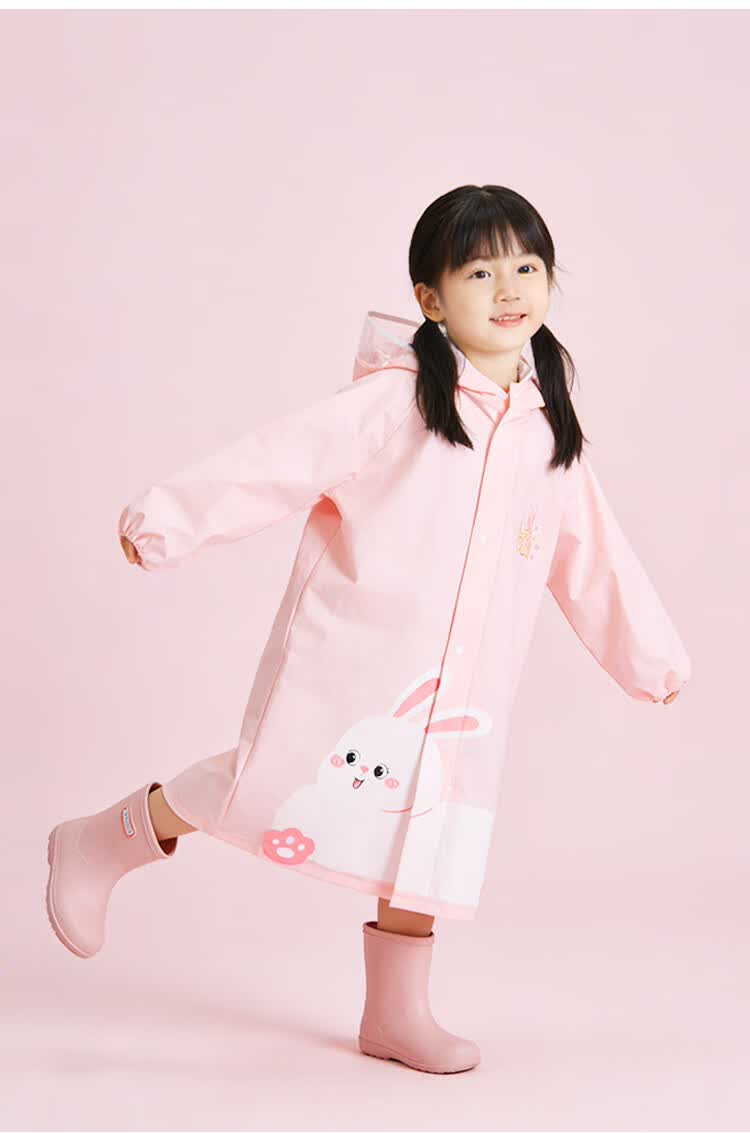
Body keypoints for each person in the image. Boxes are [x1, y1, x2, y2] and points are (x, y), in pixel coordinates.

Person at [45, 184, 691, 1075]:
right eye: (480, 272)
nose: (510, 287)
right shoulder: (397, 402)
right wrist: (167, 520)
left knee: (431, 830)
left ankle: (396, 1012)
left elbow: (594, 556)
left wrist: (651, 658)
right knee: (267, 784)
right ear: (431, 298)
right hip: (356, 650)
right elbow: (278, 460)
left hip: (462, 683)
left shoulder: (547, 430)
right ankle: (102, 839)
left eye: (528, 266)